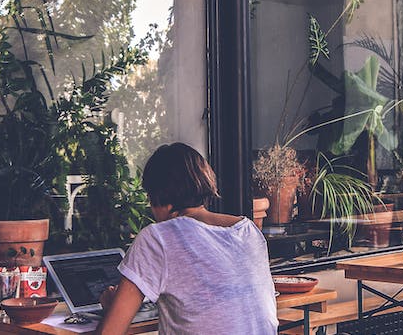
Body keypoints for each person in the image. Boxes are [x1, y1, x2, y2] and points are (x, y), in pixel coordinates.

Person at [96, 143, 277, 335]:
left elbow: (110, 332)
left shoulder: (158, 238)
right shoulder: (248, 230)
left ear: (158, 195)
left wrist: (111, 307)